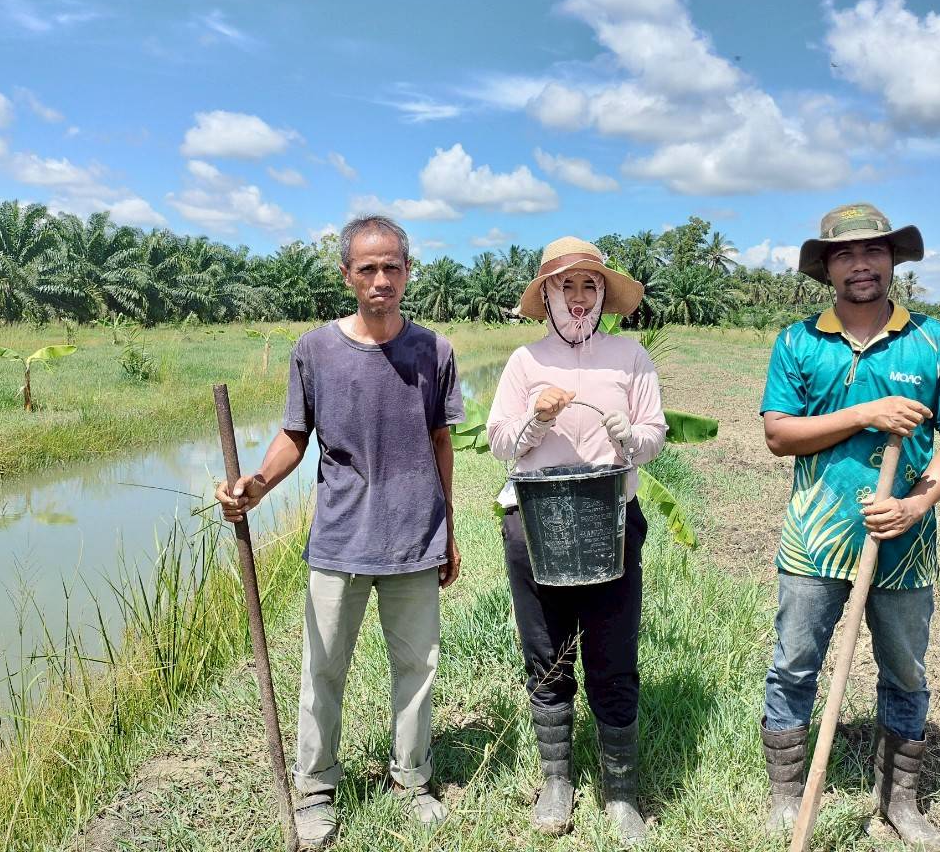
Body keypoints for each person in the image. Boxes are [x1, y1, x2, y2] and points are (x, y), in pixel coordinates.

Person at [216, 215, 464, 848]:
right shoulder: (315, 350)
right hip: (340, 540)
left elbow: (442, 440)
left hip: (414, 536)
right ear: (348, 275)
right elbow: (294, 436)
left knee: (417, 668)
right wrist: (257, 484)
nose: (381, 280)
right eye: (367, 269)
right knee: (323, 670)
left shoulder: (434, 351)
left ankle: (411, 780)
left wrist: (449, 528)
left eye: (392, 268)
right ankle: (318, 789)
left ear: (408, 272)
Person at [757, 203, 940, 848]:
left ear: (893, 260)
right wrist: (869, 412)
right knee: (795, 664)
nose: (860, 264)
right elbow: (781, 435)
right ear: (826, 267)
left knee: (906, 670)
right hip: (813, 537)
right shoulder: (798, 341)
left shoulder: (936, 342)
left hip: (905, 540)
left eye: (873, 251)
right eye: (844, 254)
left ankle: (901, 801)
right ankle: (787, 795)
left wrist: (916, 504)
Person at [486, 236, 667, 846]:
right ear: (548, 296)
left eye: (591, 286)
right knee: (546, 648)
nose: (582, 297)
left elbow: (654, 434)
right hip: (536, 520)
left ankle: (620, 794)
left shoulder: (630, 357)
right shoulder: (524, 363)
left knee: (614, 651)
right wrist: (535, 418)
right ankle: (557, 782)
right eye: (568, 286)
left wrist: (630, 438)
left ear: (603, 296)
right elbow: (499, 443)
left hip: (610, 518)